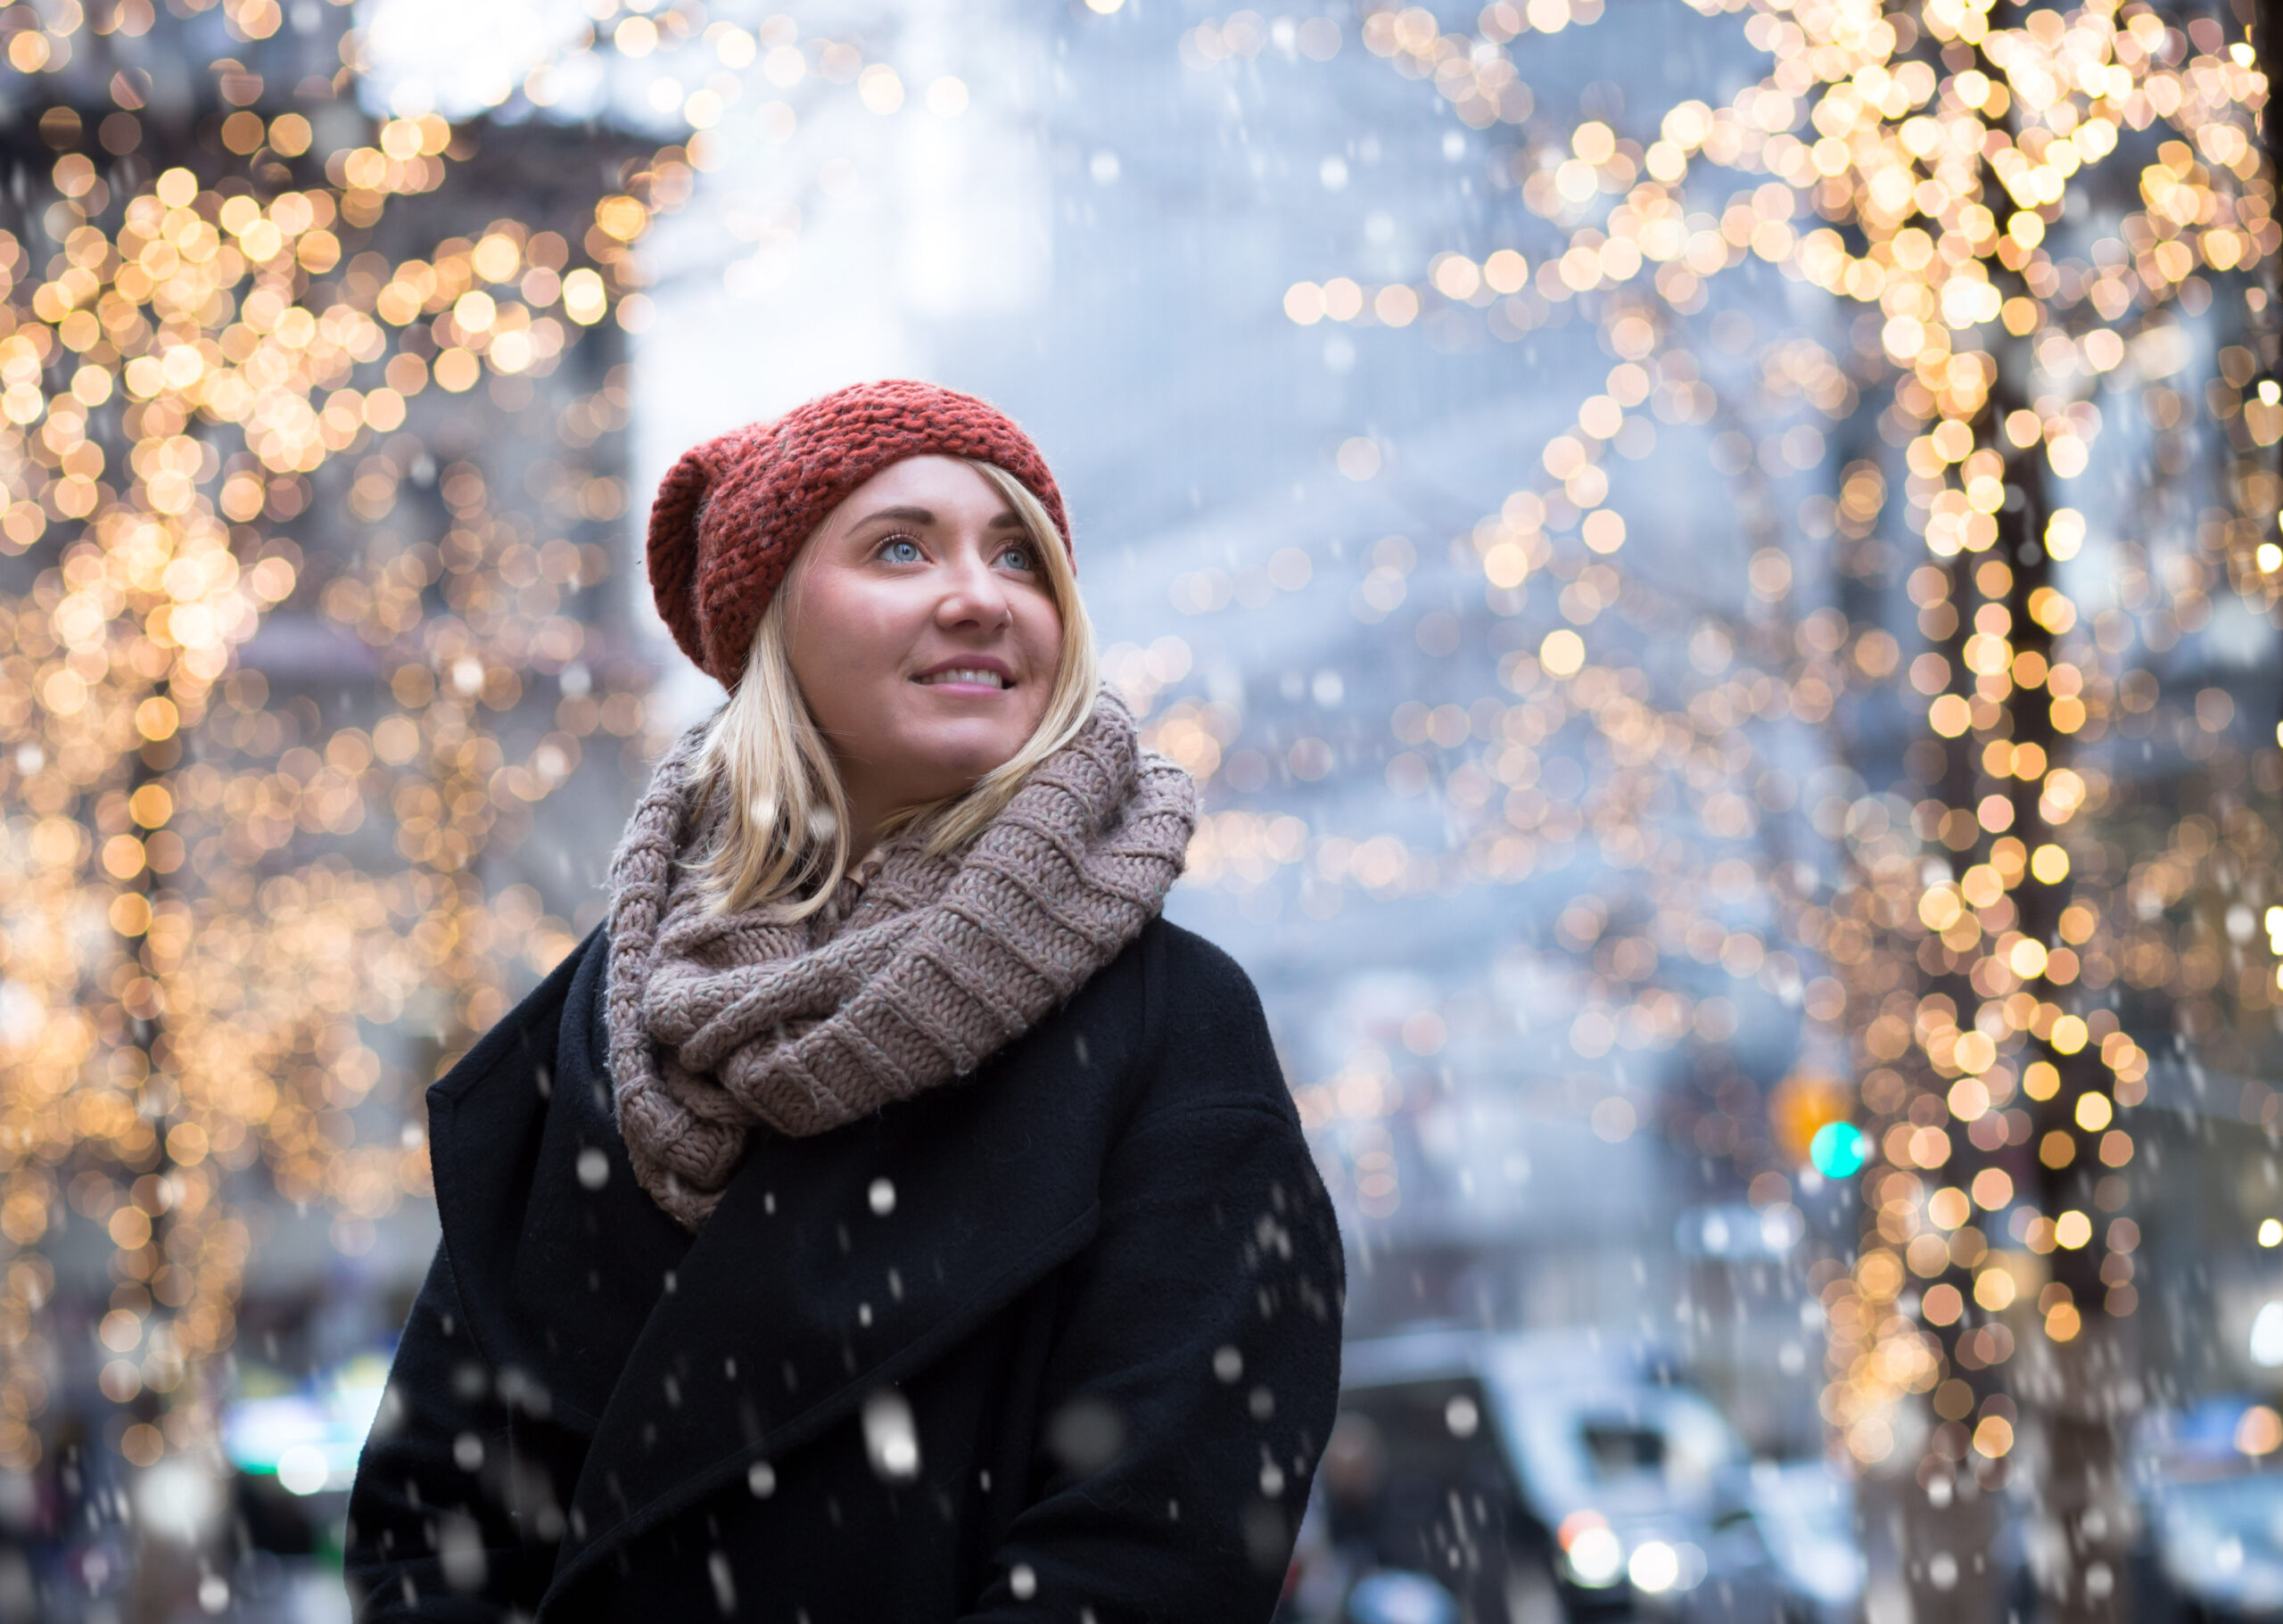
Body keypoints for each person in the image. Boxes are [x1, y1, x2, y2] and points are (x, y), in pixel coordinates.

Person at [343, 380, 1347, 1621]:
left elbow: (1158, 1546)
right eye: (900, 547)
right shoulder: (615, 1014)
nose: (980, 594)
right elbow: (433, 1522)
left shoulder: (1168, 1024)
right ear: (775, 627)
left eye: (1020, 556)